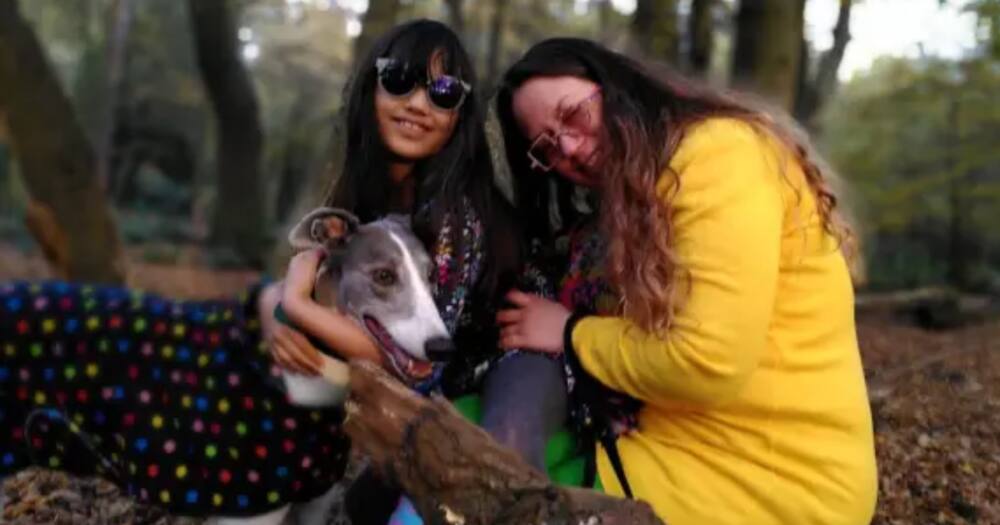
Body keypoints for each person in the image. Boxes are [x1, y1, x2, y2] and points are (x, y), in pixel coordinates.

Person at [492, 38, 878, 525]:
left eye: (572, 116)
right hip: (678, 439)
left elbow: (708, 362)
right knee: (460, 435)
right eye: (546, 146)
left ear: (617, 90)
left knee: (475, 485)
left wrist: (570, 332)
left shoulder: (716, 155)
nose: (567, 148)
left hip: (771, 479)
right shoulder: (638, 192)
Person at [265, 20, 567, 525]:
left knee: (505, 463)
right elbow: (321, 292)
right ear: (371, 89)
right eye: (400, 79)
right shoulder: (361, 197)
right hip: (447, 371)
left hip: (522, 351)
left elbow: (415, 361)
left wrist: (293, 306)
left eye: (444, 92)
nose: (419, 103)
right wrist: (282, 313)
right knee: (360, 504)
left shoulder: (459, 211)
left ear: (459, 116)